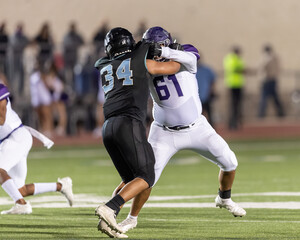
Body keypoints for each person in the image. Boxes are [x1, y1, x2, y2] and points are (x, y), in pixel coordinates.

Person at [118, 27, 246, 234]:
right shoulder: (145, 64)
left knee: (230, 162)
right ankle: (131, 218)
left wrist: (164, 52)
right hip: (163, 132)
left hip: (197, 127)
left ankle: (224, 198)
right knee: (147, 177)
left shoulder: (184, 53)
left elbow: (192, 58)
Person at [93, 27, 182, 238]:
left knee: (130, 179)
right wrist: (178, 56)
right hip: (128, 123)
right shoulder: (139, 58)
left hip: (108, 128)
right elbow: (171, 68)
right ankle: (110, 207)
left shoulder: (105, 65)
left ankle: (107, 221)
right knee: (146, 176)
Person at [0, 83, 74, 214]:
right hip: (11, 141)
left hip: (16, 137)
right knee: (20, 190)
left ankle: (21, 204)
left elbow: (1, 119)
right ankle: (61, 186)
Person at [258, 44, 285, 118]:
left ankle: (261, 114)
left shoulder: (267, 58)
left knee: (264, 98)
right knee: (275, 98)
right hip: (272, 79)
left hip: (267, 80)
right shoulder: (275, 57)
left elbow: (262, 67)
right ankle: (280, 112)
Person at [223, 46, 246, 130]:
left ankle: (236, 122)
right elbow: (235, 69)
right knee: (233, 106)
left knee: (237, 106)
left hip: (238, 84)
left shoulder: (235, 59)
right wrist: (243, 70)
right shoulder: (231, 59)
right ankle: (232, 123)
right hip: (233, 84)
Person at [196, 53, 217, 128]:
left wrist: (212, 91)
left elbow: (213, 81)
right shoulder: (189, 70)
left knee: (209, 115)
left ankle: (212, 131)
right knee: (196, 118)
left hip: (205, 96)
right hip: (195, 98)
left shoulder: (206, 69)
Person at [62, 22, 84, 90]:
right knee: (68, 76)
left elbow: (82, 41)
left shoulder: (76, 36)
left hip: (74, 58)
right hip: (68, 59)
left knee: (75, 75)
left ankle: (75, 89)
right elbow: (66, 45)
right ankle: (69, 88)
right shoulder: (67, 36)